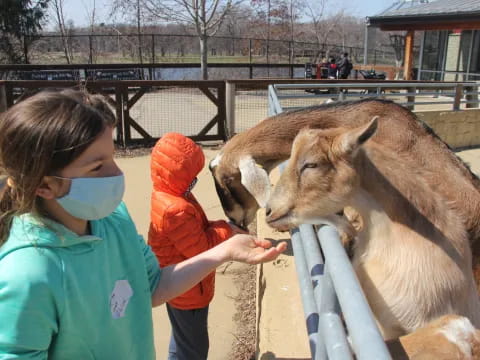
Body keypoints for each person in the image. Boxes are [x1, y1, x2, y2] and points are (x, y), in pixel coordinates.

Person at [0, 89, 286, 359]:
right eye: (97, 167)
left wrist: (224, 251)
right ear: (44, 185)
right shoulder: (27, 275)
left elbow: (152, 284)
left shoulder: (113, 221)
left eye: (113, 157)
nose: (116, 173)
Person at [148, 132, 243, 360]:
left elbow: (198, 228)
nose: (195, 179)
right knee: (194, 348)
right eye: (192, 174)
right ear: (180, 175)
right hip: (188, 290)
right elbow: (201, 249)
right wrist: (228, 231)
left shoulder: (172, 194)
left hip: (181, 287)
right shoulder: (176, 209)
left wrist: (222, 226)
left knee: (183, 340)